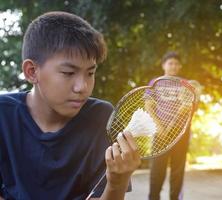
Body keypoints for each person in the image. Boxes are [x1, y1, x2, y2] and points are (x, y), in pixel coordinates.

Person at [0, 11, 141, 200]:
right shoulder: (3, 116)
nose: (82, 87)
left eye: (90, 73)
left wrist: (118, 182)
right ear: (32, 71)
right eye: (68, 73)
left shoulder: (101, 118)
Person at [148, 51, 195, 200]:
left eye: (176, 63)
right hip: (159, 132)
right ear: (163, 65)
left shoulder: (185, 84)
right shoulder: (155, 82)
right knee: (157, 170)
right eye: (170, 63)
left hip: (181, 132)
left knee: (178, 171)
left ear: (180, 66)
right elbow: (148, 106)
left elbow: (191, 106)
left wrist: (186, 108)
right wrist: (160, 127)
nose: (173, 66)